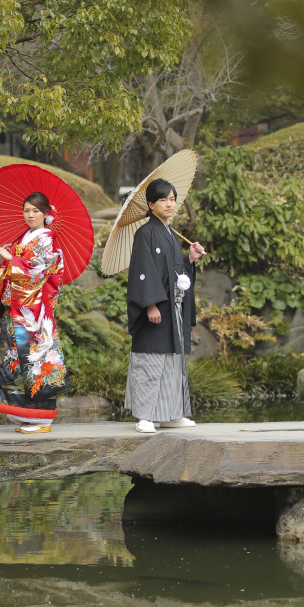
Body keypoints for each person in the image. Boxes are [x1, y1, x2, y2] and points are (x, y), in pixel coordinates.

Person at [0, 192, 71, 434]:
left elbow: (44, 268)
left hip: (33, 313)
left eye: (36, 211)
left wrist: (14, 260)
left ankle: (42, 417)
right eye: (27, 210)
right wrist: (7, 259)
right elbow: (15, 265)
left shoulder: (48, 239)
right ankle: (25, 413)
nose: (30, 215)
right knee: (13, 360)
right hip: (16, 308)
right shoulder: (24, 237)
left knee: (35, 361)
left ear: (46, 214)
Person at [125, 178, 205, 434]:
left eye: (172, 199)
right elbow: (143, 271)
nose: (169, 204)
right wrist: (149, 304)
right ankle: (145, 416)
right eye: (163, 199)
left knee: (172, 362)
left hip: (173, 309)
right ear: (151, 204)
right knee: (151, 362)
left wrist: (189, 259)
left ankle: (171, 413)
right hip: (156, 309)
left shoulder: (170, 234)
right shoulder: (145, 233)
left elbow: (173, 271)